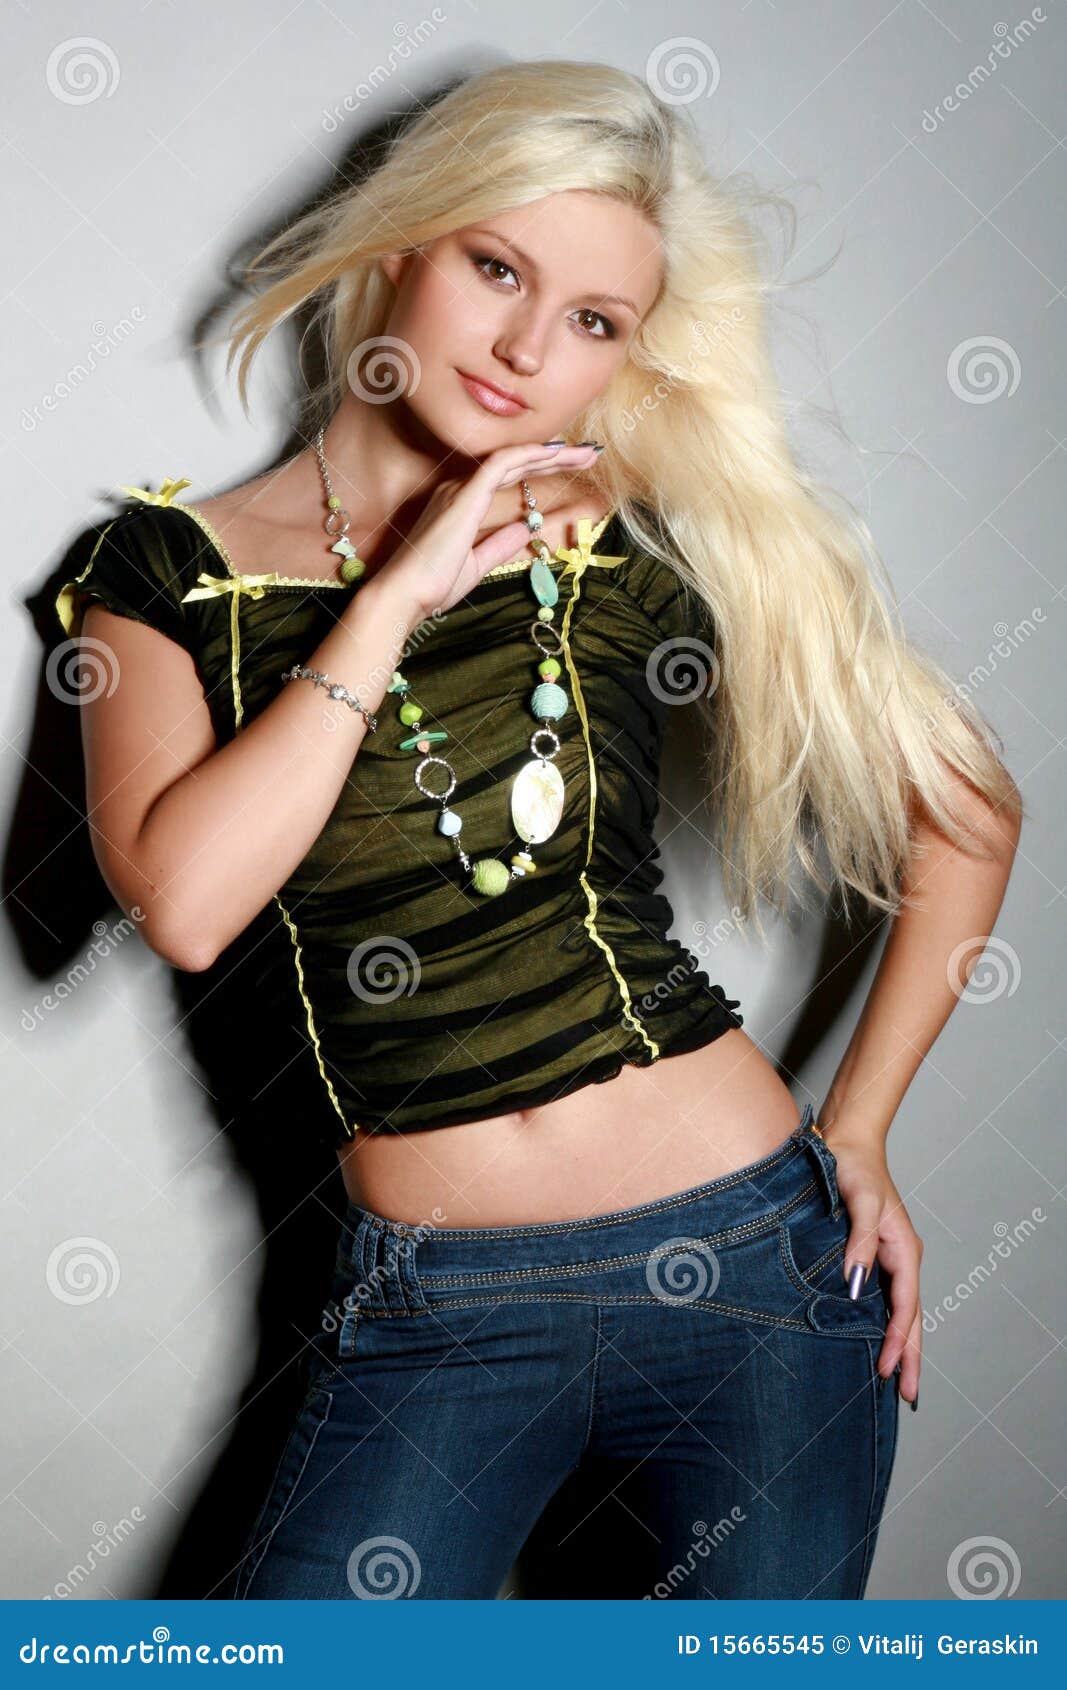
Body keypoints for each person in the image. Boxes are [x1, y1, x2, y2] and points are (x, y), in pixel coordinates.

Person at [55, 61, 1021, 1599]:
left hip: (759, 1271)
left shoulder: (627, 530)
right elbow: (184, 900)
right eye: (496, 268)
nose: (524, 347)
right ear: (402, 245)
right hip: (442, 1308)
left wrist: (861, 1130)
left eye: (594, 320)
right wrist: (391, 601)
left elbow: (968, 807)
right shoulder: (169, 572)